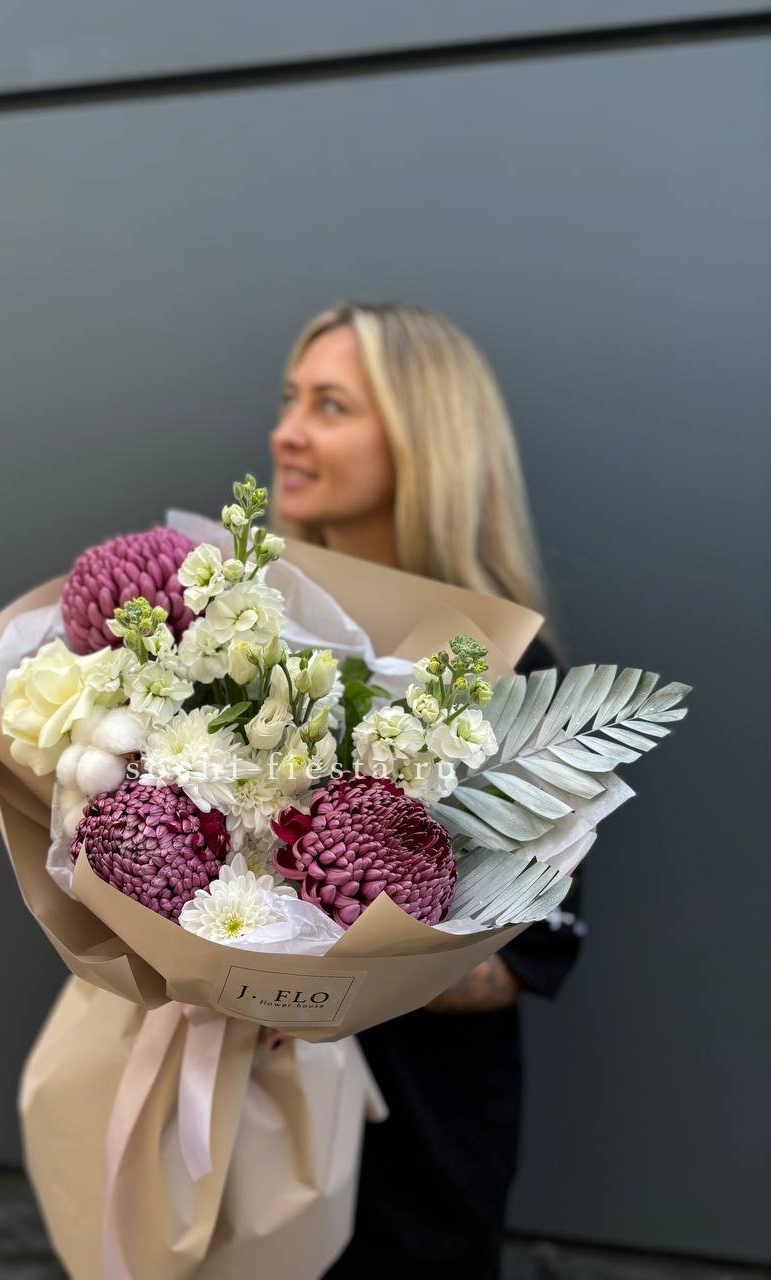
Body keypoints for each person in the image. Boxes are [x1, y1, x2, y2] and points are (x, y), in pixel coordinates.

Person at [268, 302, 584, 1279]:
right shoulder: (241, 634)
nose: (288, 431)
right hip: (241, 1129)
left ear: (422, 440)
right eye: (289, 399)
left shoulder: (512, 677)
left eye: (330, 406)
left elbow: (521, 960)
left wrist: (322, 947)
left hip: (412, 1162)